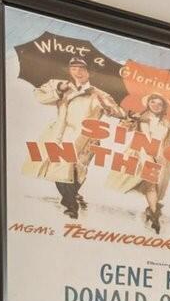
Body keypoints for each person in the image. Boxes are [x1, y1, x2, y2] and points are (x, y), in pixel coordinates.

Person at [25, 59, 122, 219]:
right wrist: (58, 90)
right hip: (62, 134)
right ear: (69, 70)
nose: (78, 72)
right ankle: (71, 204)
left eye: (82, 68)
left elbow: (119, 112)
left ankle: (70, 197)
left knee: (78, 172)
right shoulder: (60, 85)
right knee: (60, 168)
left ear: (89, 72)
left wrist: (107, 107)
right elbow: (40, 97)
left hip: (87, 138)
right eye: (74, 68)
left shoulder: (99, 93)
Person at [107, 93, 170, 232]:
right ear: (148, 104)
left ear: (164, 107)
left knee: (153, 187)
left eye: (160, 104)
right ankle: (154, 215)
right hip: (142, 155)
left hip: (159, 158)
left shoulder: (169, 123)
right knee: (151, 184)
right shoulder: (140, 117)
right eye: (153, 102)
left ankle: (152, 211)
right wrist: (130, 119)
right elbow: (123, 129)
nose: (156, 106)